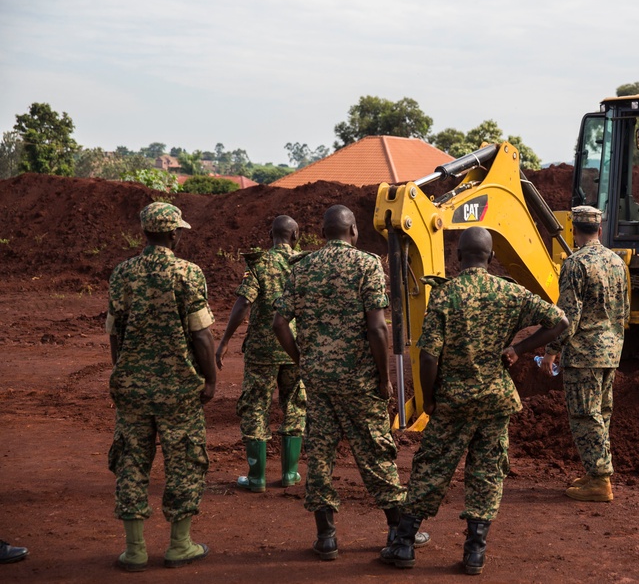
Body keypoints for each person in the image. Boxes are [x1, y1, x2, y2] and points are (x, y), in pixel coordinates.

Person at [380, 227, 568, 575]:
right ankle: (475, 554)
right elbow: (560, 321)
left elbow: (428, 356)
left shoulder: (446, 295)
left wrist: (430, 400)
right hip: (495, 401)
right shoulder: (511, 292)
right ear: (491, 257)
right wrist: (518, 349)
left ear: (457, 256)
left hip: (453, 401)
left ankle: (404, 544)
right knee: (486, 473)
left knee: (432, 467)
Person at [272, 205, 429, 561]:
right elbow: (377, 327)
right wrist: (383, 377)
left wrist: (303, 360)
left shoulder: (302, 268)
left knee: (321, 454)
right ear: (354, 230)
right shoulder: (367, 265)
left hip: (318, 381)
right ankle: (397, 530)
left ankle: (326, 537)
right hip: (359, 380)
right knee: (375, 451)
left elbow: (279, 324)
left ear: (323, 232)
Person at [106, 202, 216, 571]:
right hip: (179, 389)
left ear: (144, 232)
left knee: (131, 462)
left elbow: (114, 333)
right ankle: (179, 544)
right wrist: (211, 378)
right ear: (172, 233)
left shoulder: (123, 273)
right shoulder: (187, 273)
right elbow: (201, 335)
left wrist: (122, 372)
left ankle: (134, 551)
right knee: (184, 461)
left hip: (132, 389)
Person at [539, 205, 630, 503]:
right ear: (600, 230)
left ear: (573, 230)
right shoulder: (618, 262)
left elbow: (568, 316)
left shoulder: (575, 264)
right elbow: (626, 311)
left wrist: (551, 351)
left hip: (583, 355)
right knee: (601, 414)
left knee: (584, 415)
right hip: (611, 352)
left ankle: (600, 481)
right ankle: (595, 473)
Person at [216, 215, 307, 493]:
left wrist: (225, 340)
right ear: (296, 236)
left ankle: (256, 479)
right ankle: (290, 474)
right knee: (294, 406)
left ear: (271, 234)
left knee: (256, 407)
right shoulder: (305, 265)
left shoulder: (259, 264)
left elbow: (243, 303)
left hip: (262, 351)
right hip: (296, 349)